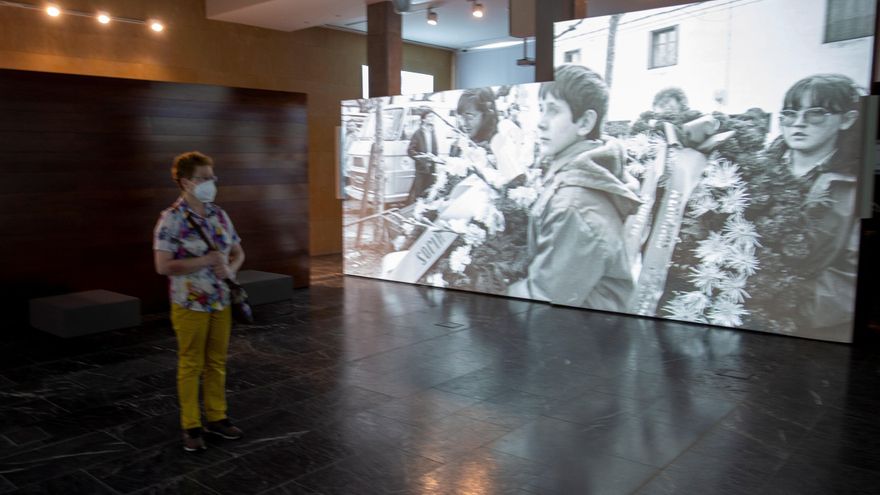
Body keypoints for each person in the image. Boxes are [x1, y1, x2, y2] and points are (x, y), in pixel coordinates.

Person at [509, 64, 641, 311]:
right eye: (541, 109)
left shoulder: (576, 204)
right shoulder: (571, 174)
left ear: (585, 122)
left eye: (553, 110)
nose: (541, 123)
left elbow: (542, 300)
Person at [153, 151, 245, 452]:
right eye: (204, 178)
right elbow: (163, 266)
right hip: (190, 303)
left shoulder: (219, 214)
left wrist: (230, 268)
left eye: (212, 177)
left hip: (220, 301)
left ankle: (217, 416)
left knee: (217, 362)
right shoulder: (172, 220)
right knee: (191, 363)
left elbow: (238, 252)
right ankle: (191, 424)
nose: (211, 183)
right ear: (186, 182)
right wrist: (205, 259)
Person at [760, 73, 862, 337]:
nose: (799, 124)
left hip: (809, 324)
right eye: (790, 114)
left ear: (847, 119)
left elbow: (851, 276)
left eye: (816, 114)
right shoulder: (755, 168)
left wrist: (784, 304)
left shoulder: (857, 187)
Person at [407, 109, 439, 202]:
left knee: (430, 194)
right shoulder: (418, 133)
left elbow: (435, 149)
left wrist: (435, 159)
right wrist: (421, 157)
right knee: (419, 194)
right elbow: (410, 150)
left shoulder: (433, 132)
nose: (432, 119)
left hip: (431, 169)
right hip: (421, 169)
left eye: (433, 117)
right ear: (423, 119)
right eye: (430, 117)